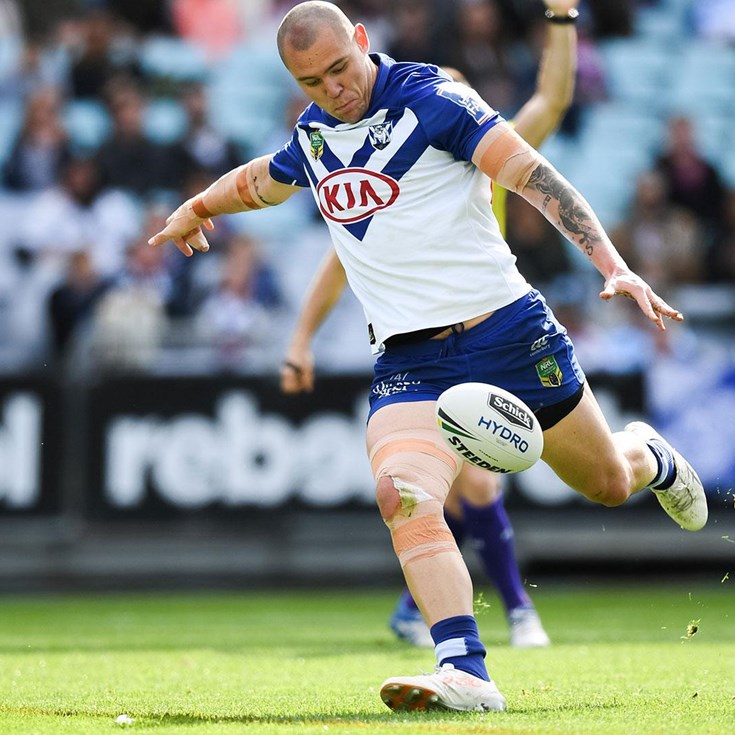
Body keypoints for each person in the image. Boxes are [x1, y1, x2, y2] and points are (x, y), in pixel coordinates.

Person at [149, 1, 708, 714]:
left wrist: (613, 263)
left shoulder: (434, 100)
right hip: (410, 359)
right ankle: (464, 668)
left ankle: (647, 457)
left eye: (339, 70)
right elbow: (267, 177)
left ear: (361, 40)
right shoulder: (316, 133)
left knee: (602, 481)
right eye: (312, 81)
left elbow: (535, 177)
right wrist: (200, 205)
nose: (333, 90)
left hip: (507, 332)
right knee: (401, 492)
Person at [278, 0, 581, 651]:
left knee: (473, 479)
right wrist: (300, 339)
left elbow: (551, 100)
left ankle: (433, 609)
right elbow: (336, 265)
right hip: (419, 343)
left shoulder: (480, 152)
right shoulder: (392, 173)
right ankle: (508, 614)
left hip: (492, 324)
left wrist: (560, 19)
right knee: (464, 477)